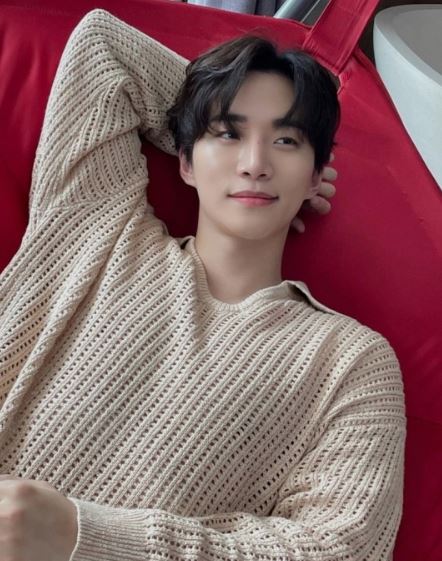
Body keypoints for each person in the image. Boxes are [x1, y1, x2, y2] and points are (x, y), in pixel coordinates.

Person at [0, 8, 405, 561]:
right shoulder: (98, 226)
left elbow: (342, 550)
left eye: (287, 141)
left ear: (316, 176)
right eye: (229, 134)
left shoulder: (350, 361)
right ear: (185, 160)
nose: (255, 163)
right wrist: (200, 112)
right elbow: (103, 48)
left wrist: (85, 537)